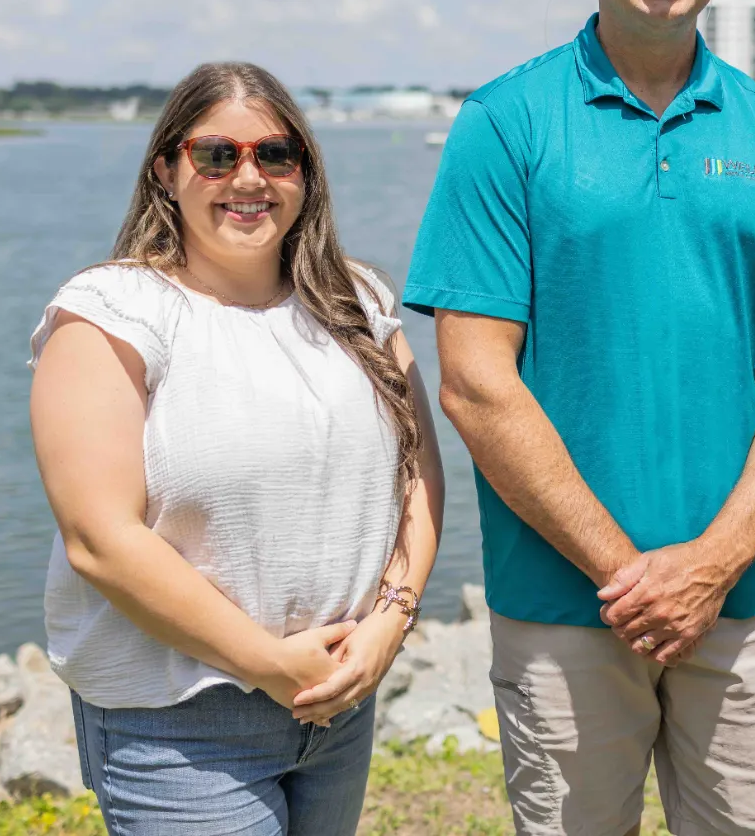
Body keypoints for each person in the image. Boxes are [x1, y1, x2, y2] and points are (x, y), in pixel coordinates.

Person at [402, 0, 755, 836]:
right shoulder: (506, 123)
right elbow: (477, 384)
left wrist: (709, 565)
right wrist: (631, 574)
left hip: (749, 601)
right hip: (565, 605)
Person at [28, 62, 445, 836]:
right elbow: (100, 541)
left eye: (275, 155)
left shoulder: (359, 300)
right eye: (217, 155)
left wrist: (392, 618)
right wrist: (269, 663)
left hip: (339, 707)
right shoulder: (110, 312)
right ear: (166, 170)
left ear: (305, 173)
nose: (247, 177)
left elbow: (418, 471)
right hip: (179, 726)